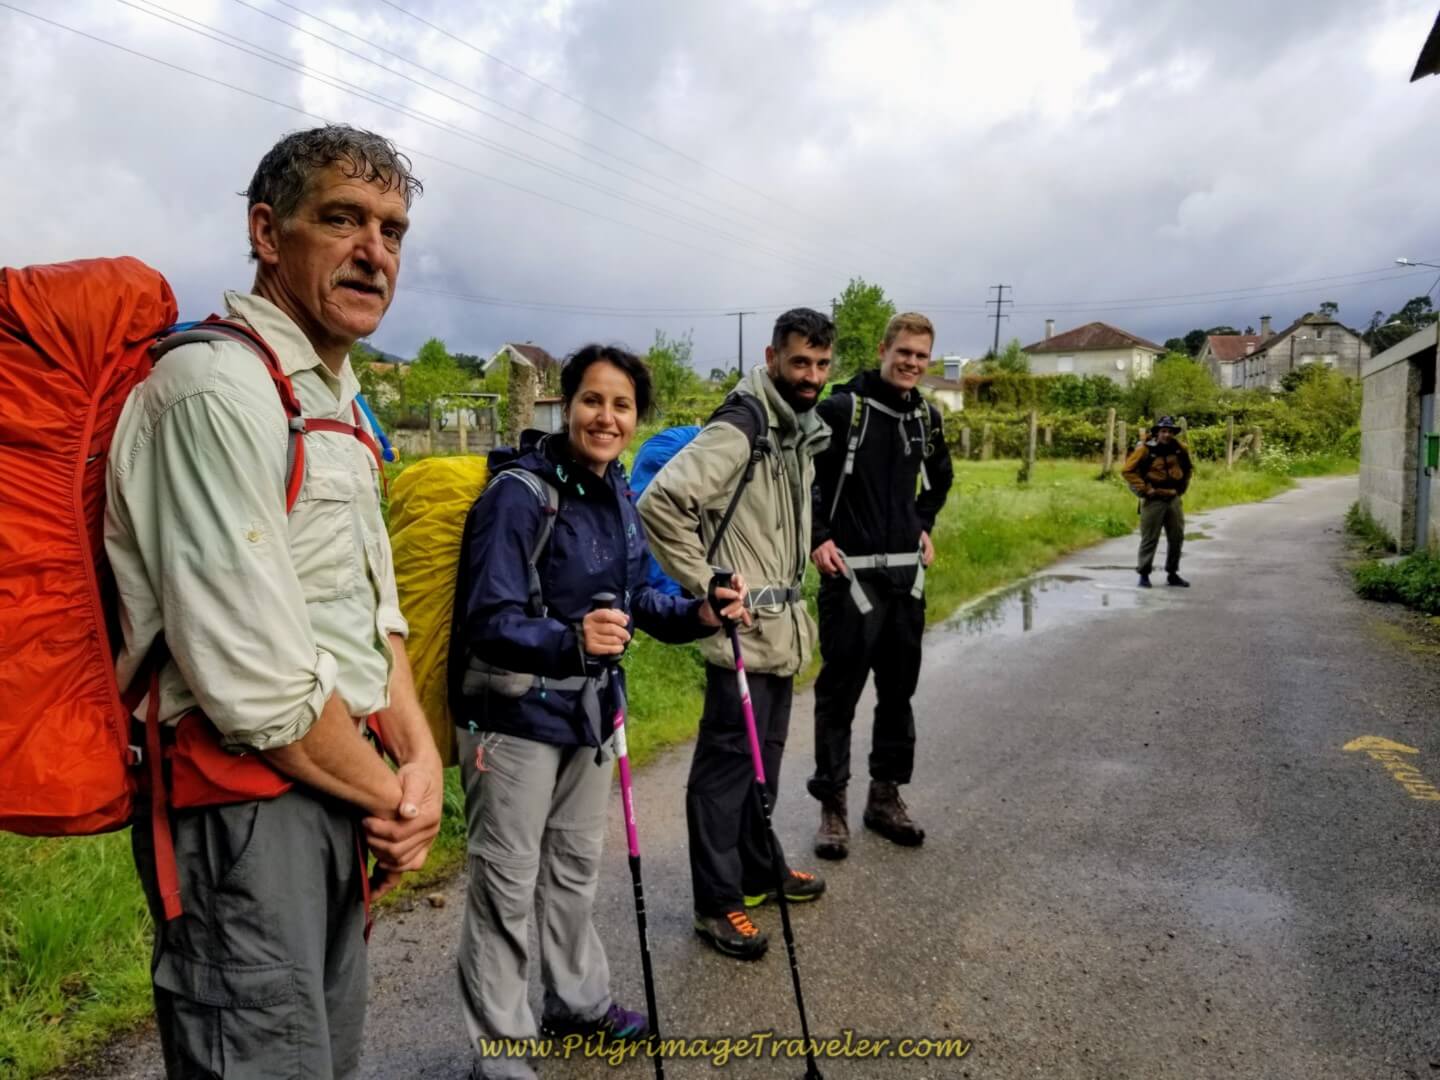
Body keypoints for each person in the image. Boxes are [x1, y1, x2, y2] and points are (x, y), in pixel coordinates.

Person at [105, 125, 443, 1078]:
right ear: (266, 230)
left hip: (337, 786)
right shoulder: (216, 389)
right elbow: (254, 682)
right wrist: (398, 795)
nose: (374, 252)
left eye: (392, 230)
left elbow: (371, 616)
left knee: (322, 1061)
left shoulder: (334, 401)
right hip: (246, 811)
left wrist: (418, 764)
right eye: (343, 219)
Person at [448, 345, 748, 1079]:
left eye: (620, 405)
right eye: (592, 400)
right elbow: (487, 618)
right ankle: (503, 1056)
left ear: (636, 417)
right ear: (565, 405)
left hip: (587, 718)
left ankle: (576, 1004)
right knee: (505, 887)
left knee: (576, 870)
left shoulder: (617, 494)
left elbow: (639, 598)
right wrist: (570, 639)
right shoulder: (519, 495)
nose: (605, 417)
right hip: (512, 718)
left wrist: (699, 613)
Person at [638, 308, 834, 961]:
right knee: (725, 772)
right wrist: (707, 584)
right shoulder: (744, 423)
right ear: (775, 356)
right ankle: (718, 903)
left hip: (781, 633)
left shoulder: (790, 427)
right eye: (800, 362)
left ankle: (758, 869)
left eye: (822, 364)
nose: (811, 375)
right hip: (742, 637)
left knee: (763, 765)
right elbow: (660, 504)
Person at [807, 312, 953, 859]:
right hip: (849, 580)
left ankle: (884, 799)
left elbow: (941, 477)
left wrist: (924, 524)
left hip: (904, 582)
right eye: (904, 352)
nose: (912, 363)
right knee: (838, 695)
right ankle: (832, 807)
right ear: (883, 349)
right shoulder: (844, 410)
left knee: (898, 695)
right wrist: (818, 537)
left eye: (921, 355)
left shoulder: (926, 418)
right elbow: (803, 477)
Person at [1122, 415, 1193, 588]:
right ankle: (1144, 574)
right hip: (1153, 499)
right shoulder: (1145, 450)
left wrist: (1181, 490)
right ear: (1157, 433)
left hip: (1173, 498)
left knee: (1177, 537)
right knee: (1150, 538)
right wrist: (1145, 489)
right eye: (1163, 431)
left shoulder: (1179, 449)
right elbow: (1127, 471)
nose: (1166, 435)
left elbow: (1188, 468)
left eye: (1169, 431)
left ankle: (1172, 573)